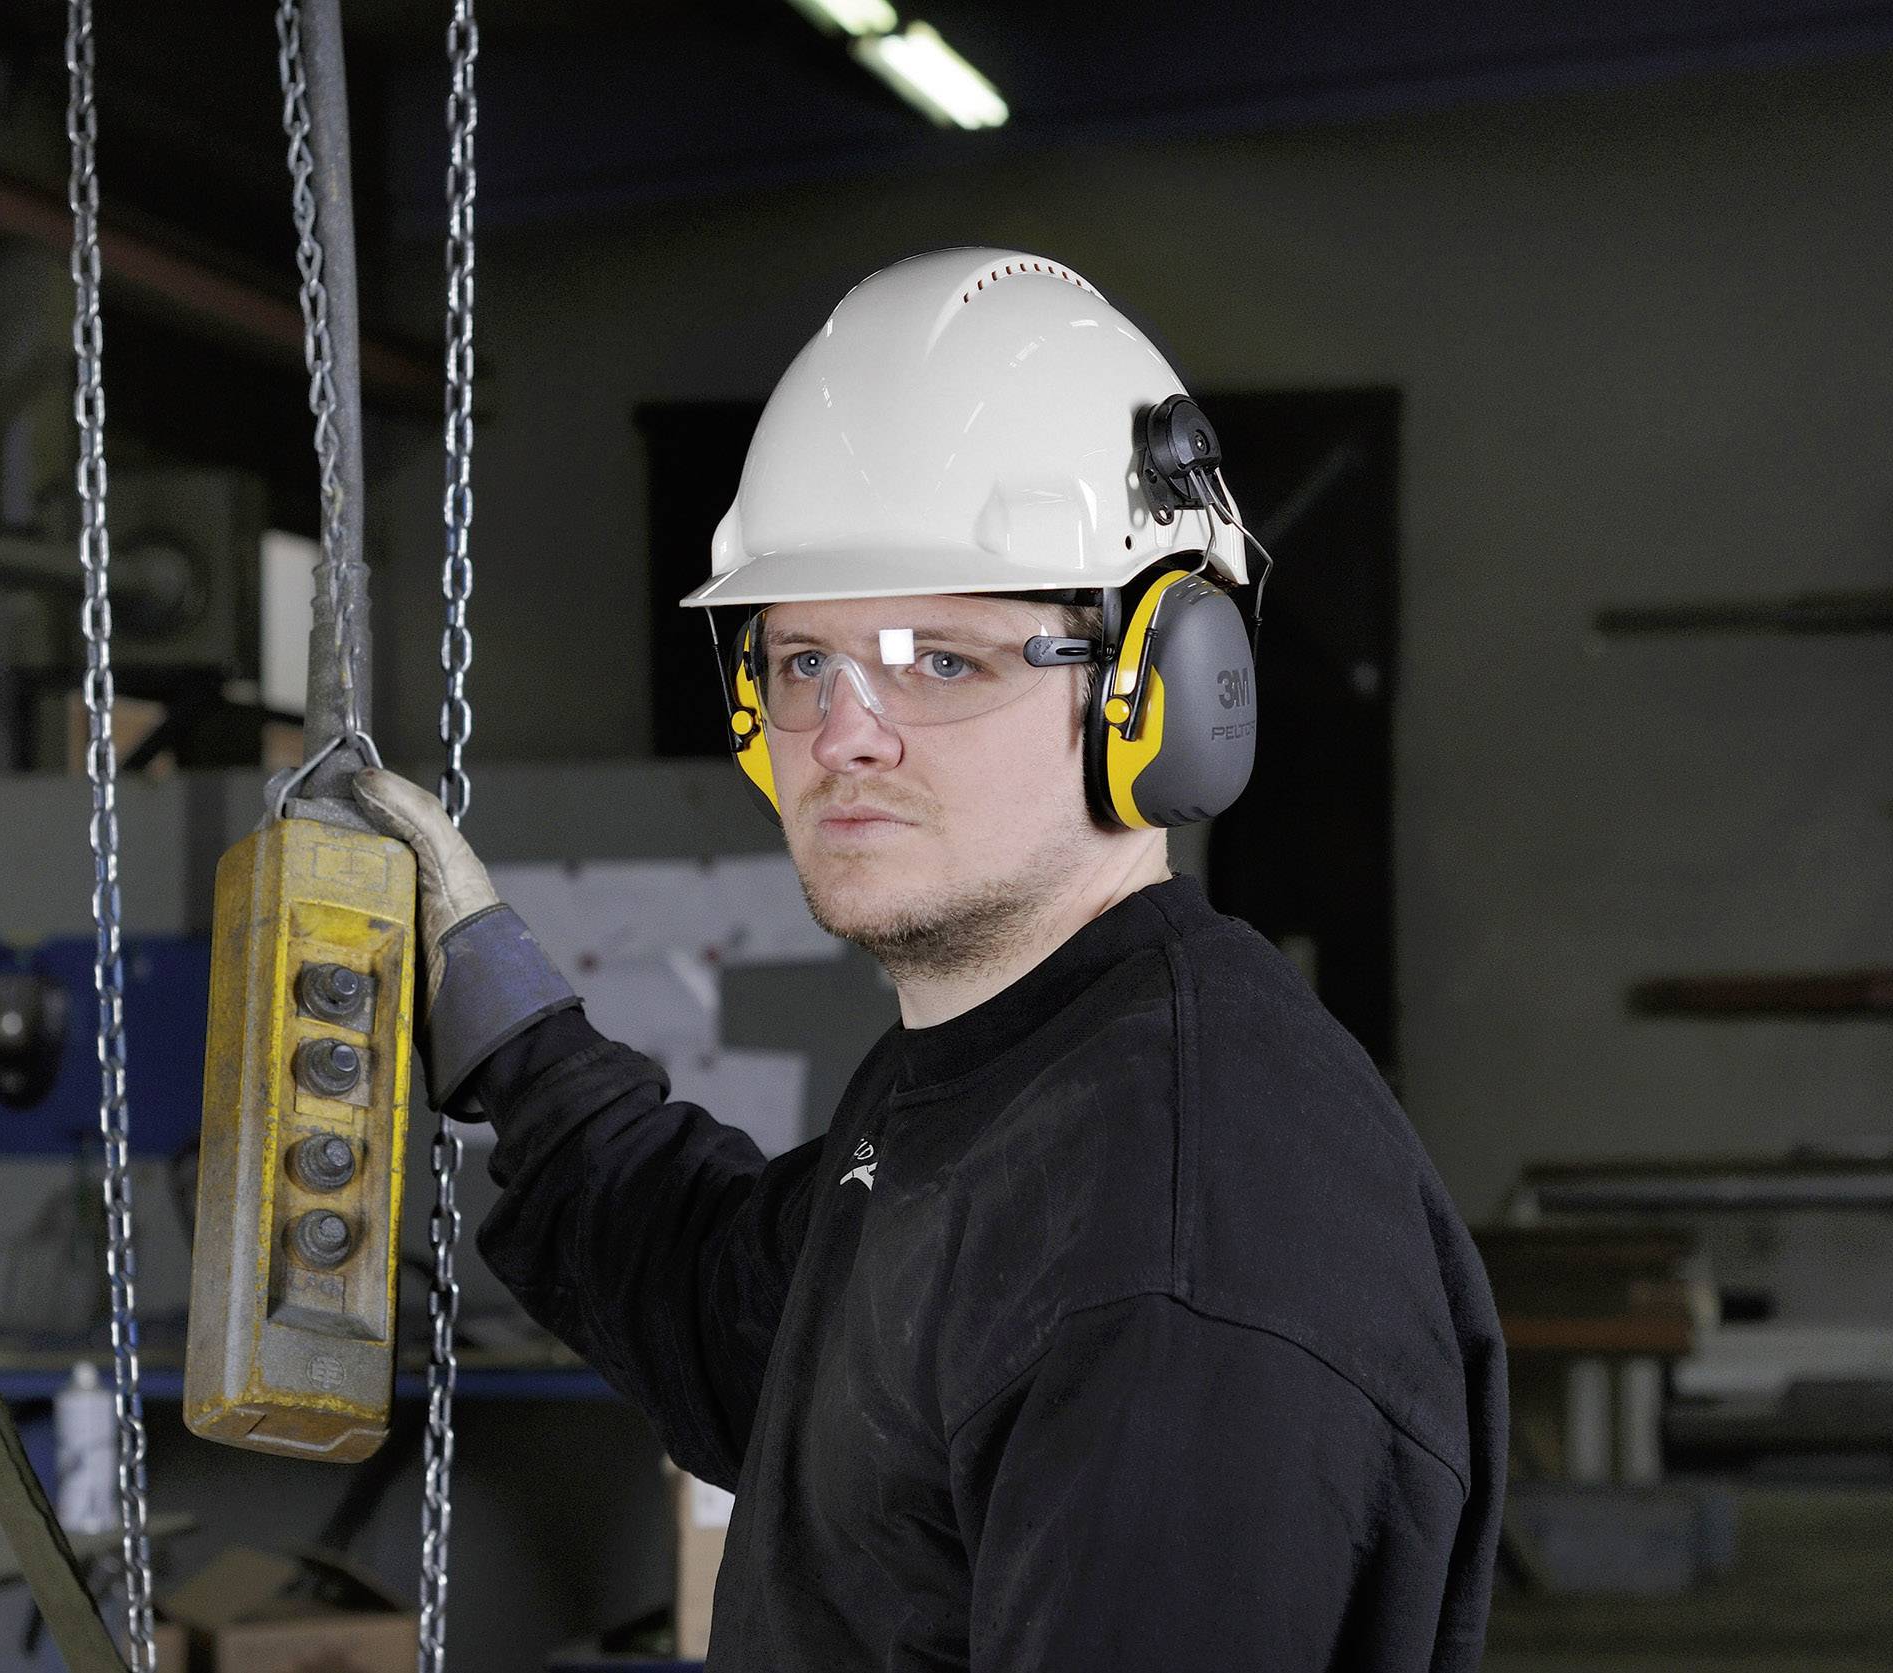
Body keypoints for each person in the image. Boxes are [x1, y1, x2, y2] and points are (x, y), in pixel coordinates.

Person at [353, 248, 1505, 1671]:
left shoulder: (1175, 1249)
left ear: (1164, 689)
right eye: (800, 662)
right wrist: (507, 1034)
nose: (846, 733)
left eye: (939, 660)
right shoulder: (993, 1079)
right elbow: (758, 1340)